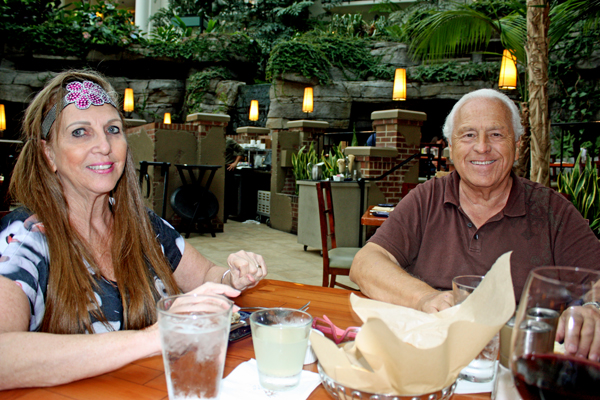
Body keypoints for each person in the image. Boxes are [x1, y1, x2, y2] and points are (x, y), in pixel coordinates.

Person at [0, 70, 268, 390]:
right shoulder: (26, 240)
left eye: (113, 130)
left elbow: (206, 273)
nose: (104, 145)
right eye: (80, 132)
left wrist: (231, 276)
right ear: (49, 154)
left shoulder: (143, 225)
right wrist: (157, 336)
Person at [349, 88, 600, 361]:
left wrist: (594, 307)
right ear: (451, 149)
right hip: (429, 354)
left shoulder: (552, 210)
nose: (482, 147)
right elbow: (365, 263)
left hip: (515, 363)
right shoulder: (426, 197)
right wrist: (425, 299)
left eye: (496, 134)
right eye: (468, 135)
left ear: (517, 146)